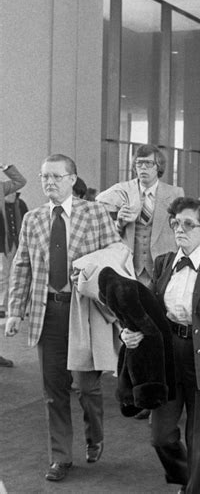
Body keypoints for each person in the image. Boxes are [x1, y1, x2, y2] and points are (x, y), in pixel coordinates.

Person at [5, 154, 120, 482]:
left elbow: (115, 254)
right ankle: (61, 457)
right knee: (53, 389)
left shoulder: (95, 212)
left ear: (72, 179)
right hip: (48, 312)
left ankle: (94, 434)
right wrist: (15, 310)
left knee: (86, 386)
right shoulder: (34, 219)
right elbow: (22, 265)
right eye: (44, 177)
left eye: (55, 176)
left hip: (82, 311)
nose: (48, 183)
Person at [121, 197, 200, 493]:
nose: (180, 229)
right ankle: (184, 477)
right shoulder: (165, 262)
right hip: (169, 356)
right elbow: (148, 309)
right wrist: (128, 332)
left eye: (188, 224)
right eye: (176, 223)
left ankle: (194, 490)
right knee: (160, 435)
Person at [97, 144, 184, 288]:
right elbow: (98, 202)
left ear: (158, 166)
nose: (143, 168)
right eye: (139, 163)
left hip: (163, 266)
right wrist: (119, 223)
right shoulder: (123, 190)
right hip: (129, 266)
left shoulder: (175, 193)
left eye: (148, 163)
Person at [0, 163, 27, 319]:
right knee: (3, 275)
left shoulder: (2, 188)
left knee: (14, 274)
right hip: (3, 243)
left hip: (11, 242)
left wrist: (6, 168)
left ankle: (9, 306)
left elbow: (21, 181)